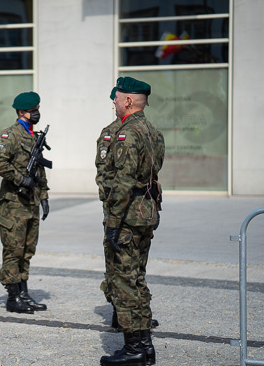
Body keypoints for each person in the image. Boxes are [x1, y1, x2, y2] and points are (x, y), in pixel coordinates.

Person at [99, 77, 164, 366]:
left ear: (127, 101)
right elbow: (154, 170)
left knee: (124, 282)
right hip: (145, 212)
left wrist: (113, 222)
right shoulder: (152, 130)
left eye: (117, 97)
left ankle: (135, 349)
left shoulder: (128, 133)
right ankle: (145, 347)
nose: (114, 101)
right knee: (136, 278)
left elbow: (123, 181)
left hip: (127, 216)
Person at [0, 91, 50, 314]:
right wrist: (20, 178)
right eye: (33, 110)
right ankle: (13, 297)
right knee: (13, 250)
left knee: (27, 250)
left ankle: (24, 293)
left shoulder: (34, 137)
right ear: (21, 112)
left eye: (37, 109)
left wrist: (43, 196)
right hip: (14, 203)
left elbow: (40, 170)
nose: (37, 113)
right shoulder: (10, 136)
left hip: (31, 201)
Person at [95, 88, 122, 327]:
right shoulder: (109, 133)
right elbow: (102, 173)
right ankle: (118, 310)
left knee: (135, 262)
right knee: (114, 259)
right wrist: (112, 202)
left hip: (137, 211)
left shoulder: (143, 131)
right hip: (115, 208)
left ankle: (136, 311)